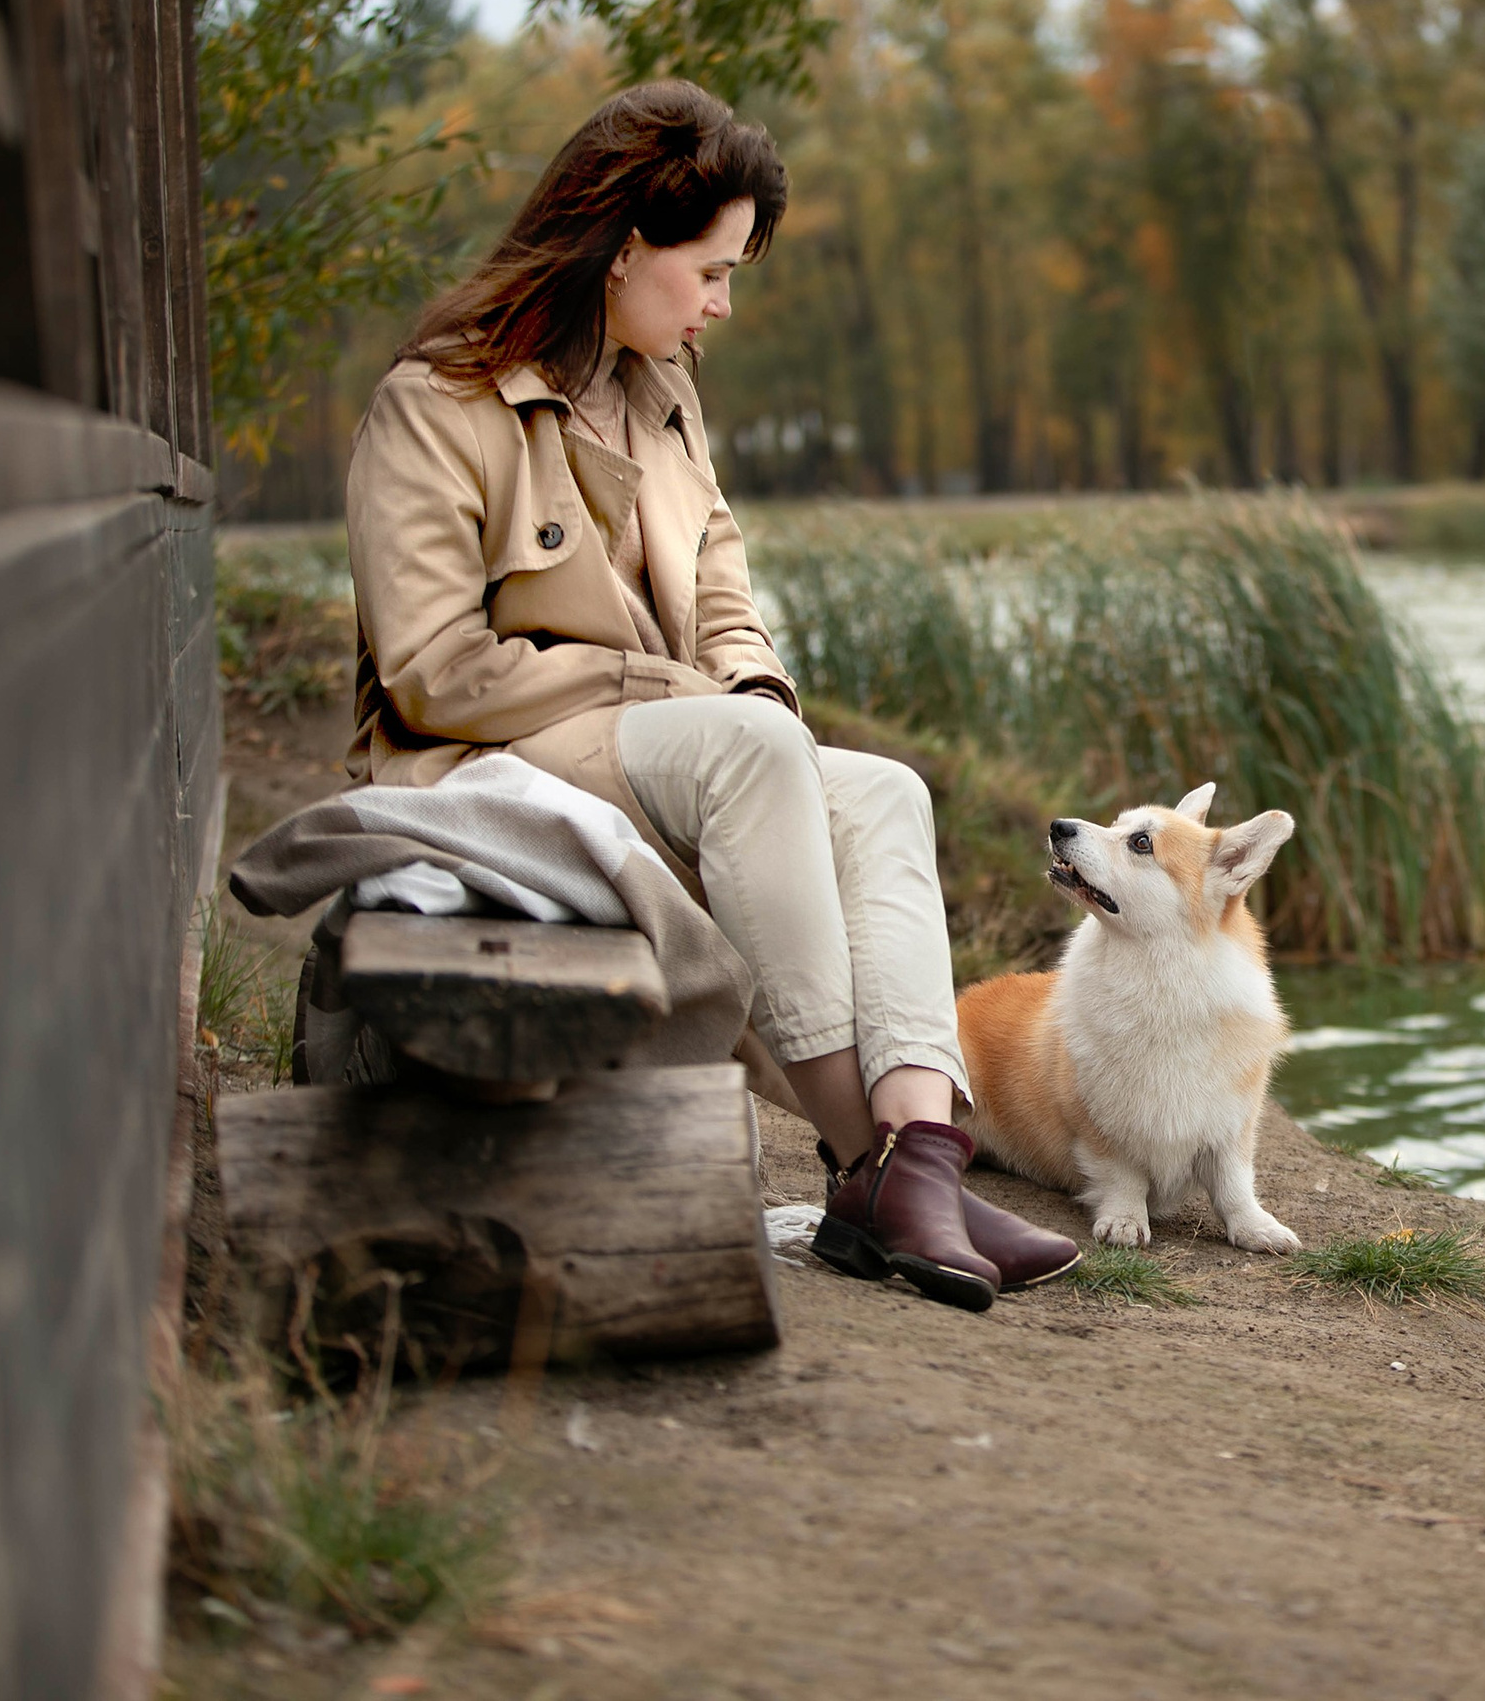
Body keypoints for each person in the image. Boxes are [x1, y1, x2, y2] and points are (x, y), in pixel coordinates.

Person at [343, 80, 1075, 1312]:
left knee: (881, 788)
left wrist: (754, 692)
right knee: (745, 748)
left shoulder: (663, 397)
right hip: (488, 753)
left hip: (676, 742)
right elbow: (431, 669)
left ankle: (921, 1154)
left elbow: (727, 599)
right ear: (625, 249)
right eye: (713, 271)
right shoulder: (436, 402)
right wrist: (685, 694)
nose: (722, 305)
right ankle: (870, 1172)